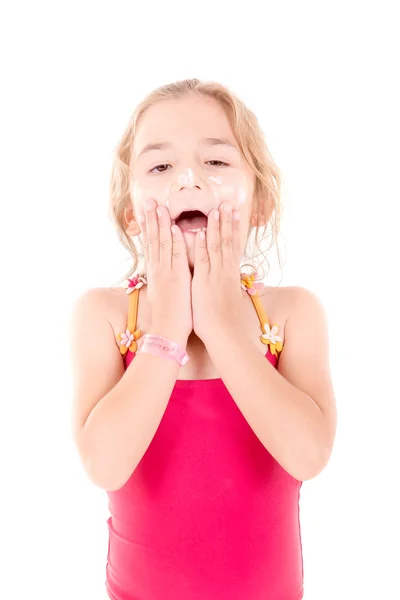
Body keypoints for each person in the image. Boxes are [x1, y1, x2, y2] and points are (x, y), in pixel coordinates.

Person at [70, 78, 337, 600]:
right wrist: (168, 329)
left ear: (259, 203)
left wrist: (221, 326)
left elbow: (308, 455)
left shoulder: (290, 314)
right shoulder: (104, 315)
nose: (188, 181)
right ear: (131, 213)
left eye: (216, 162)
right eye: (160, 167)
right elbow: (104, 464)